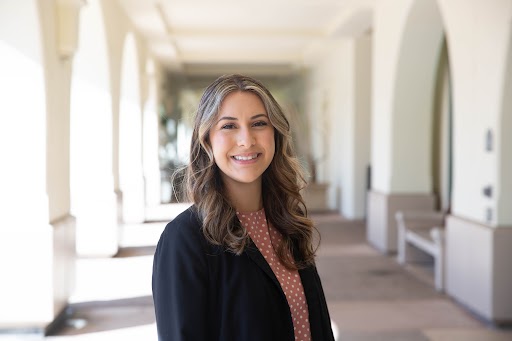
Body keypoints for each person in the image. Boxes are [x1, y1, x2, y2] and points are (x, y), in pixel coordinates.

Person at [152, 74, 335, 341]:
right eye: (229, 126)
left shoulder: (288, 222)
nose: (246, 140)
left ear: (276, 134)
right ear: (207, 140)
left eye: (259, 123)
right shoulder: (184, 238)